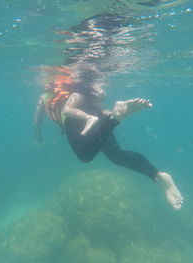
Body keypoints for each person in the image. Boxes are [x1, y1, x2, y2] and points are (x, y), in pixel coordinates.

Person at [34, 66, 184, 210]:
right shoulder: (71, 86)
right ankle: (157, 175)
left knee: (85, 156)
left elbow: (37, 119)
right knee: (117, 155)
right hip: (95, 112)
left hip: (73, 119)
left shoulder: (44, 97)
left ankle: (115, 118)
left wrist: (39, 136)